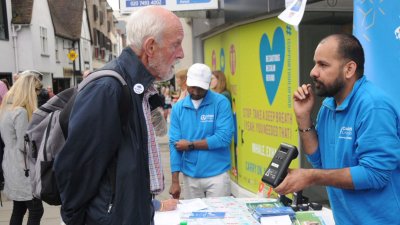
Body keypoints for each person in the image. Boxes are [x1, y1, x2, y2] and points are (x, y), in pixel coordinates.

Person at [53, 5, 184, 225]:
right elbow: (76, 169)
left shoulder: (136, 87)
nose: (181, 53)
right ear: (150, 47)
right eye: (176, 44)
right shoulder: (109, 89)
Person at [275, 34, 400, 224]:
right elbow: (319, 161)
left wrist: (310, 177)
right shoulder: (328, 106)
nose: (313, 72)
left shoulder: (373, 106)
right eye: (315, 64)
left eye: (323, 65)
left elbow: (376, 174)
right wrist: (303, 118)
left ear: (349, 69)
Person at [169, 63, 234, 199]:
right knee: (193, 219)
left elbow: (224, 137)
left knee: (218, 219)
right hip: (190, 175)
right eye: (193, 87)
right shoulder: (178, 108)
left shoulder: (221, 103)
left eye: (201, 88)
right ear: (187, 82)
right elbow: (174, 145)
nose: (197, 92)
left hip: (217, 174)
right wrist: (175, 181)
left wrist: (191, 145)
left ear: (209, 83)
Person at [0, 72, 44, 225]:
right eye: (36, 90)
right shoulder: (21, 112)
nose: (37, 94)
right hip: (22, 167)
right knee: (36, 210)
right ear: (29, 90)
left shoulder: (6, 109)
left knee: (18, 209)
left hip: (10, 164)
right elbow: (23, 145)